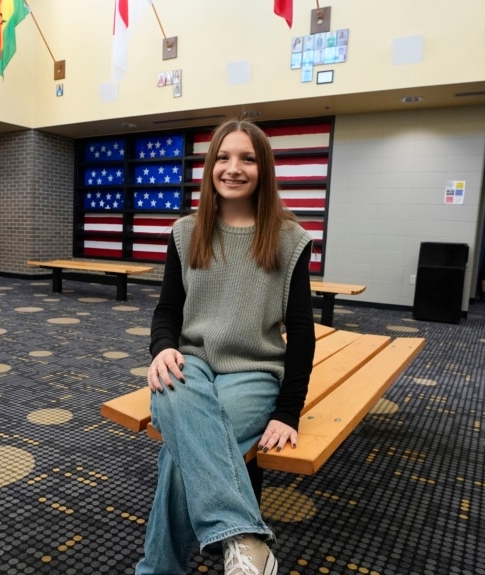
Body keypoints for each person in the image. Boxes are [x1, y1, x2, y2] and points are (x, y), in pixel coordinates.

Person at [135, 119, 315, 575]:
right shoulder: (186, 231)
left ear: (264, 168)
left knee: (184, 451)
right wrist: (160, 348)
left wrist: (288, 410)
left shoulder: (290, 239)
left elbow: (301, 331)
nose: (233, 168)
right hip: (190, 361)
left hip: (253, 370)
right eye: (223, 157)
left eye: (247, 158)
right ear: (211, 165)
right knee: (188, 415)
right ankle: (243, 538)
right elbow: (168, 310)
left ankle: (158, 571)